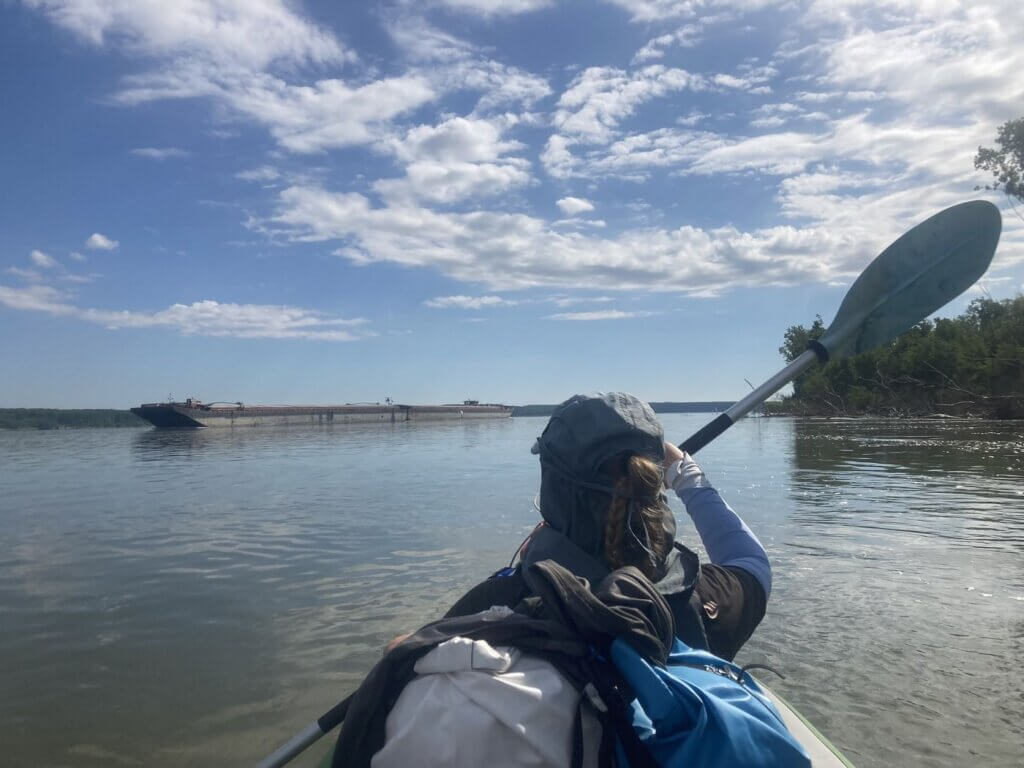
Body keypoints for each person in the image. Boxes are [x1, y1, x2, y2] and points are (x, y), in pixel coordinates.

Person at [445, 391, 770, 661]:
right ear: (651, 482)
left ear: (553, 489)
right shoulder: (702, 598)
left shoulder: (493, 606)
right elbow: (752, 563)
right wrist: (686, 475)